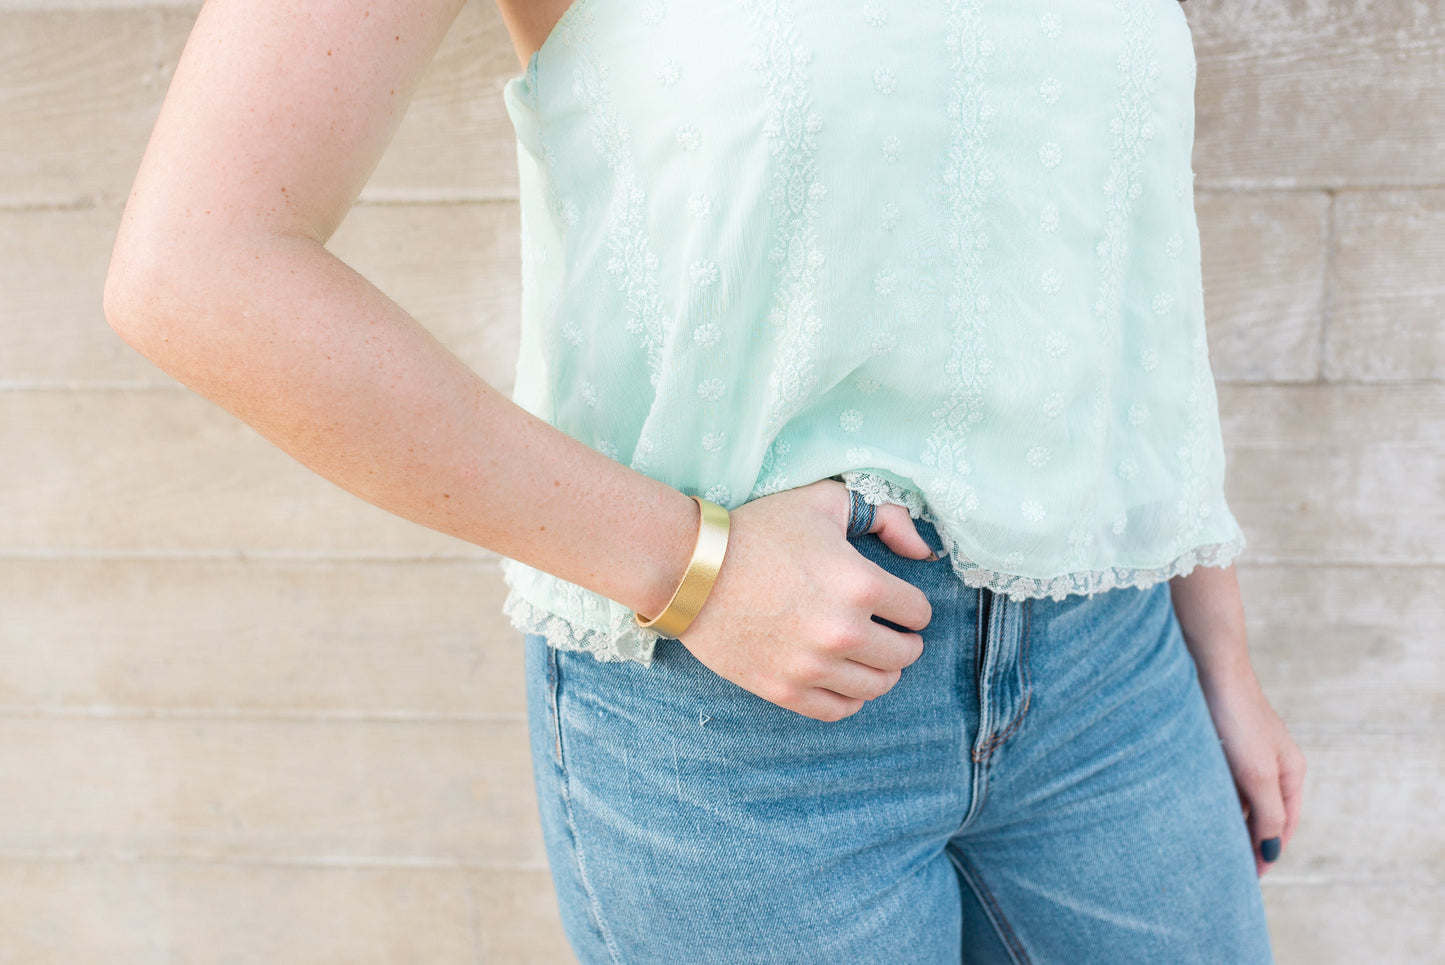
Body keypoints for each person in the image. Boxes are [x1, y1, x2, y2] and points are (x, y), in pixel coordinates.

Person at [104, 0, 1306, 961]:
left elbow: (1111, 254)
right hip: (736, 723)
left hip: (1113, 671)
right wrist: (696, 566)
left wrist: (1219, 645)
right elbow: (198, 266)